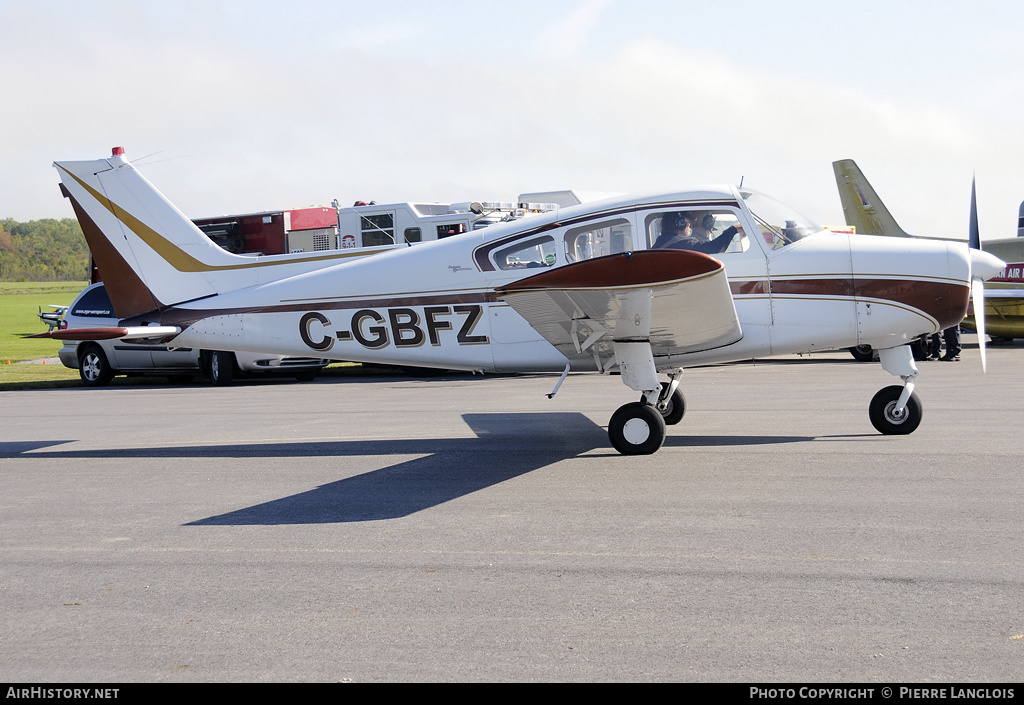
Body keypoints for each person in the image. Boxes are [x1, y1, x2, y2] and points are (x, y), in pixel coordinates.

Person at [653, 211, 738, 253]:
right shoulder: (684, 244)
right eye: (686, 222)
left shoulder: (658, 244)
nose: (689, 225)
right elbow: (714, 248)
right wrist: (734, 229)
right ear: (680, 224)